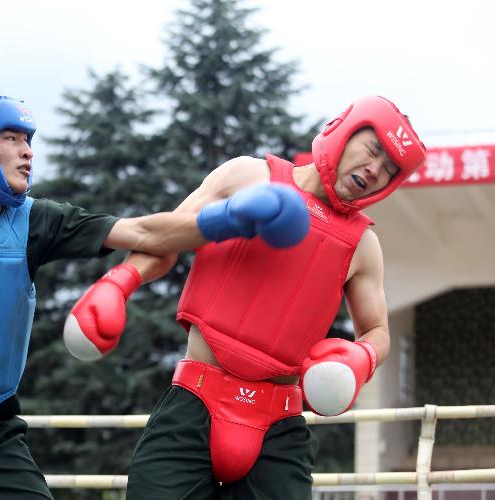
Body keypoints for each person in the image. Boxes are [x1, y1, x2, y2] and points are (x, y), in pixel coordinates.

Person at [0, 95, 309, 499]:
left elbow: (146, 234)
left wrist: (231, 219)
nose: (28, 151)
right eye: (12, 138)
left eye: (29, 140)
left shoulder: (36, 222)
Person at [63, 95, 427, 499]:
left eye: (389, 169)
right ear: (343, 130)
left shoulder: (363, 243)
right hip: (194, 402)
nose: (374, 170)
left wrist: (361, 358)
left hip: (280, 427)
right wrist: (120, 280)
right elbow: (166, 239)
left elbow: (377, 330)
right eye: (372, 151)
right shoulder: (248, 175)